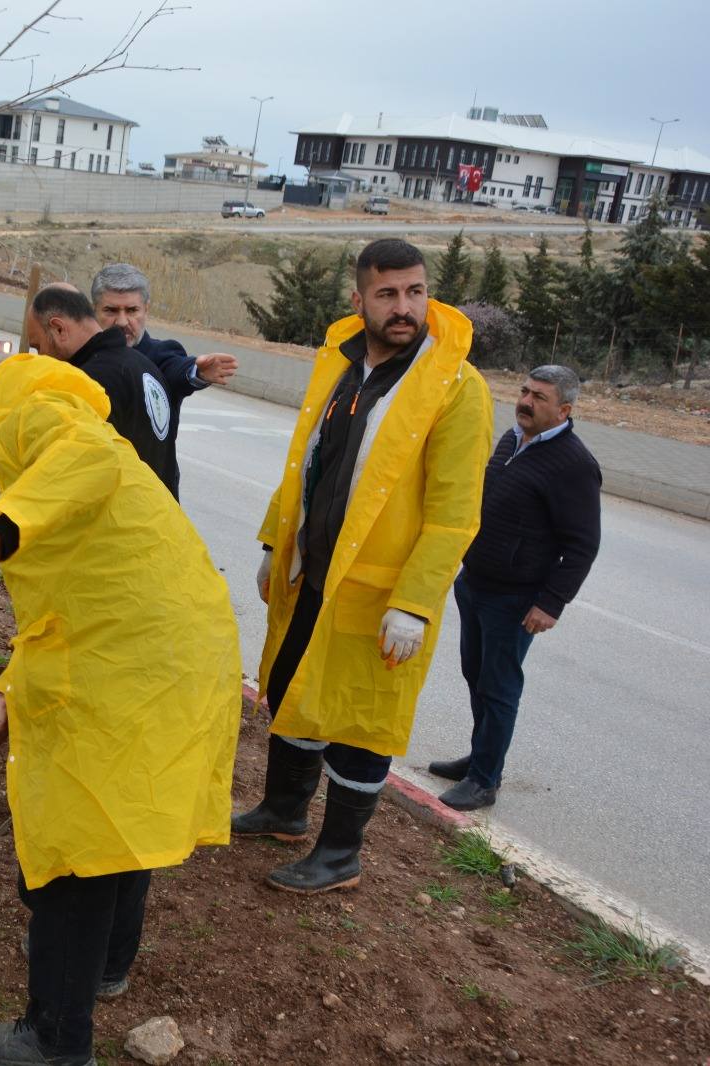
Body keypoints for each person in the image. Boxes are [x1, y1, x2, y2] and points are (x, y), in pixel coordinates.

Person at [0, 354, 239, 1066]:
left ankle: (55, 1039)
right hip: (159, 659)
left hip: (134, 668)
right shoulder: (73, 459)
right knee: (120, 824)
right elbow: (62, 619)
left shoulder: (46, 419)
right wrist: (4, 699)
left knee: (79, 844)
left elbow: (82, 462)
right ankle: (104, 964)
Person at [236, 238, 492, 893]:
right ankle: (285, 811)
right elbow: (304, 462)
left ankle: (340, 854)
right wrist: (276, 543)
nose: (404, 307)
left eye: (415, 291)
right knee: (295, 688)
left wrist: (415, 602)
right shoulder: (342, 362)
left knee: (360, 721)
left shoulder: (455, 388)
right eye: (387, 294)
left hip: (382, 595)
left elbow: (455, 514)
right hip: (315, 573)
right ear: (360, 299)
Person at [430, 365, 601, 811]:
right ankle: (482, 758)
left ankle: (484, 781)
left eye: (539, 398)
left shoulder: (574, 465)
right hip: (476, 584)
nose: (525, 401)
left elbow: (582, 545)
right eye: (525, 391)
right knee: (476, 675)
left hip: (516, 597)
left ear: (564, 410)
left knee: (499, 686)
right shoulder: (511, 440)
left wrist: (551, 602)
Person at [91, 263, 238, 498]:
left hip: (150, 499)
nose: (121, 321)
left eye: (131, 311)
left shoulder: (160, 355)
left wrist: (195, 372)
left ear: (146, 310)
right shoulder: (82, 360)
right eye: (110, 311)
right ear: (93, 311)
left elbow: (177, 370)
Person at [26, 283, 177, 496]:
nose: (40, 357)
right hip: (163, 518)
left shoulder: (87, 383)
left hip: (120, 522)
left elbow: (77, 477)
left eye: (38, 346)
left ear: (59, 329)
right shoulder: (145, 366)